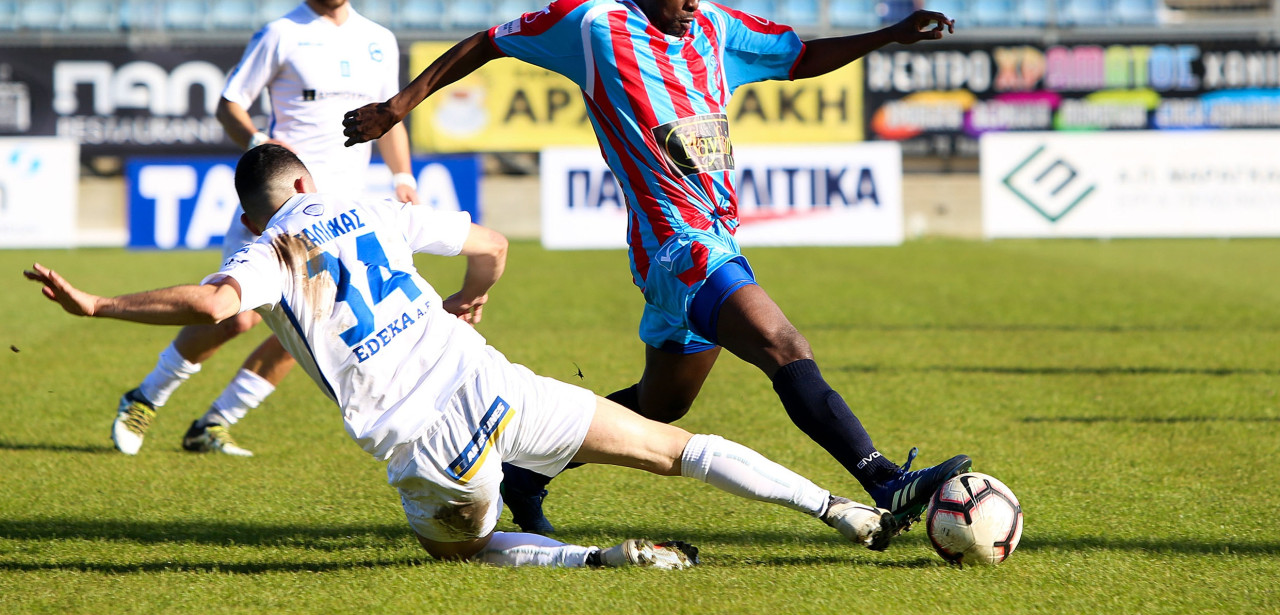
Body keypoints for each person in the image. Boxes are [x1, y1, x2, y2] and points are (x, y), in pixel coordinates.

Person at [342, 0, 972, 537]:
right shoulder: (591, 26)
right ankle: (885, 480)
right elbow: (488, 41)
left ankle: (522, 471)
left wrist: (890, 34)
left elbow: (801, 57)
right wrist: (398, 107)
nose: (692, 2)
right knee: (784, 344)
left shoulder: (716, 28)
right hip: (677, 245)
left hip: (718, 239)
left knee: (662, 404)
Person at [27, 144, 902, 569]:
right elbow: (491, 243)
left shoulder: (267, 250)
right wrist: (472, 291)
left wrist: (97, 302)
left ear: (258, 212)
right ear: (306, 182)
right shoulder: (369, 207)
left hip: (425, 444)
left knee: (460, 552)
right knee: (671, 447)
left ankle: (596, 561)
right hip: (492, 380)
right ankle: (841, 511)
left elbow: (215, 304)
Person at [111, 0, 418, 458]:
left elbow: (389, 118)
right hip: (278, 206)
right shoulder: (282, 34)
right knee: (238, 314)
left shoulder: (379, 41)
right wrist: (257, 142)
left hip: (343, 212)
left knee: (317, 324)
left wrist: (403, 178)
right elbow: (229, 102)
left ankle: (215, 423)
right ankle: (145, 396)